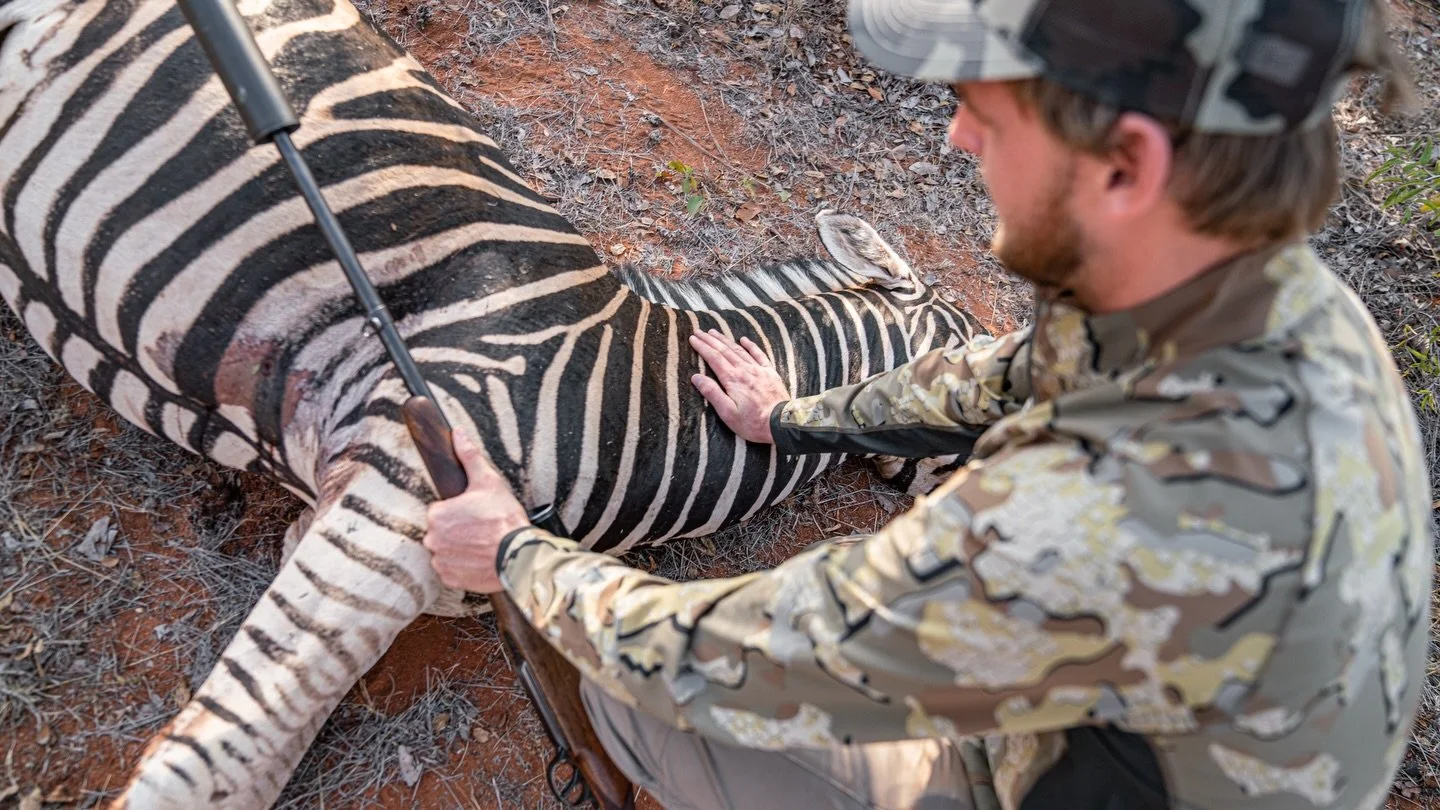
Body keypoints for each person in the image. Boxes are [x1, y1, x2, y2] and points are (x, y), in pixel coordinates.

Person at [422, 0, 1432, 807]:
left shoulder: (1108, 516)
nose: (956, 137)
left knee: (633, 698)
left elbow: (718, 660)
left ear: (1127, 166)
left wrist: (517, 554)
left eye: (987, 113)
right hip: (1146, 746)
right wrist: (795, 417)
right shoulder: (1266, 304)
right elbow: (1004, 373)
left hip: (1054, 769)